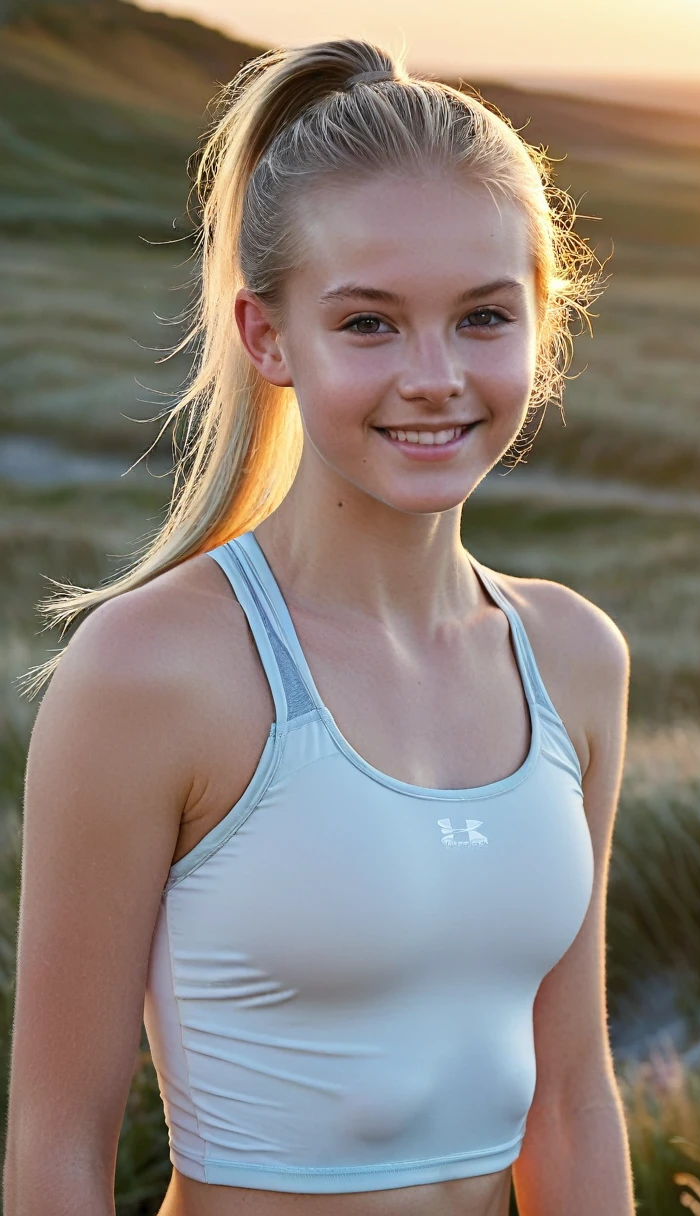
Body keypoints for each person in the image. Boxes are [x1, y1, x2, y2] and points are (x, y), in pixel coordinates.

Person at [4, 37, 634, 1216]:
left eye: (484, 315)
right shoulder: (152, 670)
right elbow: (55, 1151)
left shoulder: (574, 657)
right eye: (368, 324)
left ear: (542, 324)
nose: (436, 375)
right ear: (266, 336)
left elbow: (569, 1102)